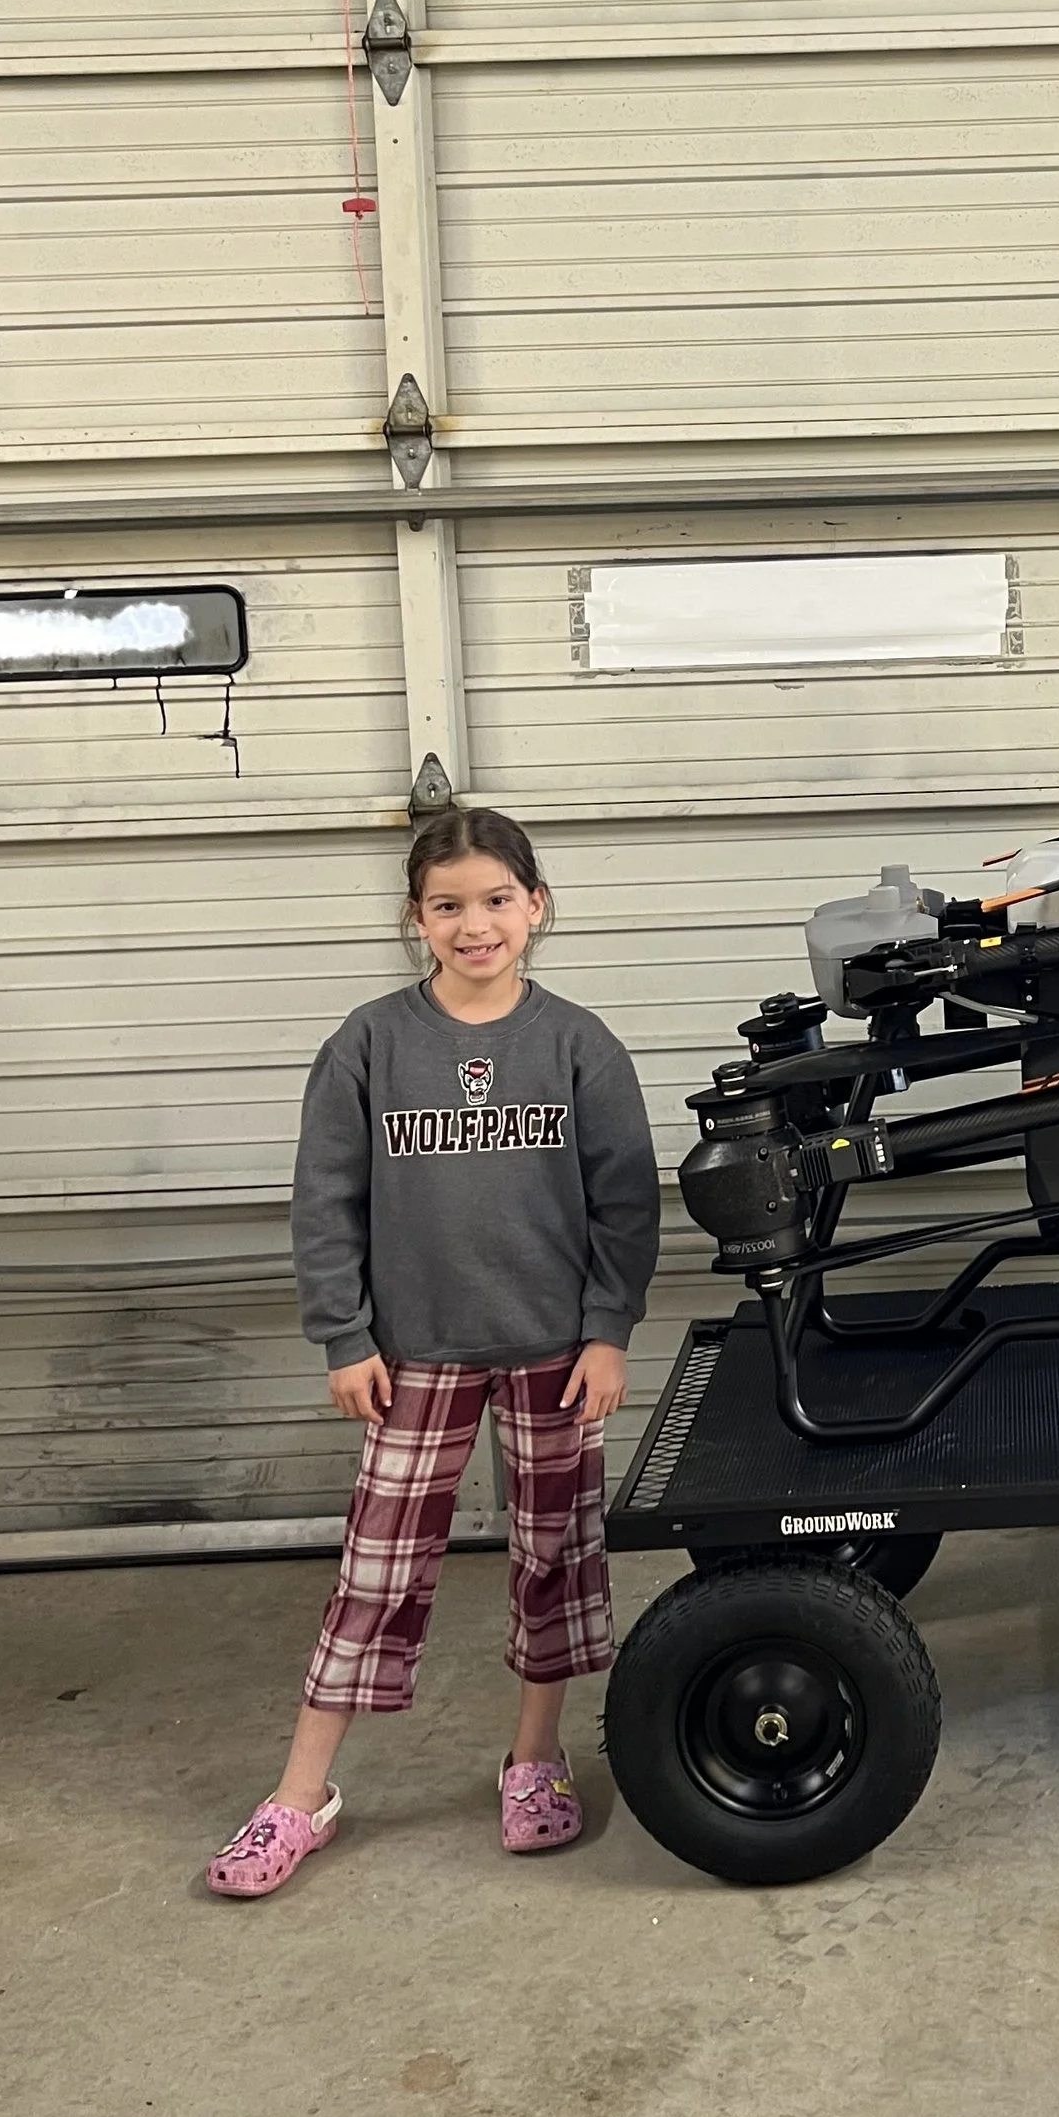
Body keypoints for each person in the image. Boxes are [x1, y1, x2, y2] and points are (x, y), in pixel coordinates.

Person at [206, 807, 661, 1898]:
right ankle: (298, 1795)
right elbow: (325, 1201)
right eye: (448, 905)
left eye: (497, 900)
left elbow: (627, 1203)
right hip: (414, 1355)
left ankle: (535, 1759)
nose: (476, 924)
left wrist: (607, 1331)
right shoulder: (369, 1044)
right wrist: (344, 1334)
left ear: (536, 907)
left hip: (555, 1350)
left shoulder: (579, 1045)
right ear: (416, 920)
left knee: (554, 1558)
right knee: (376, 1569)